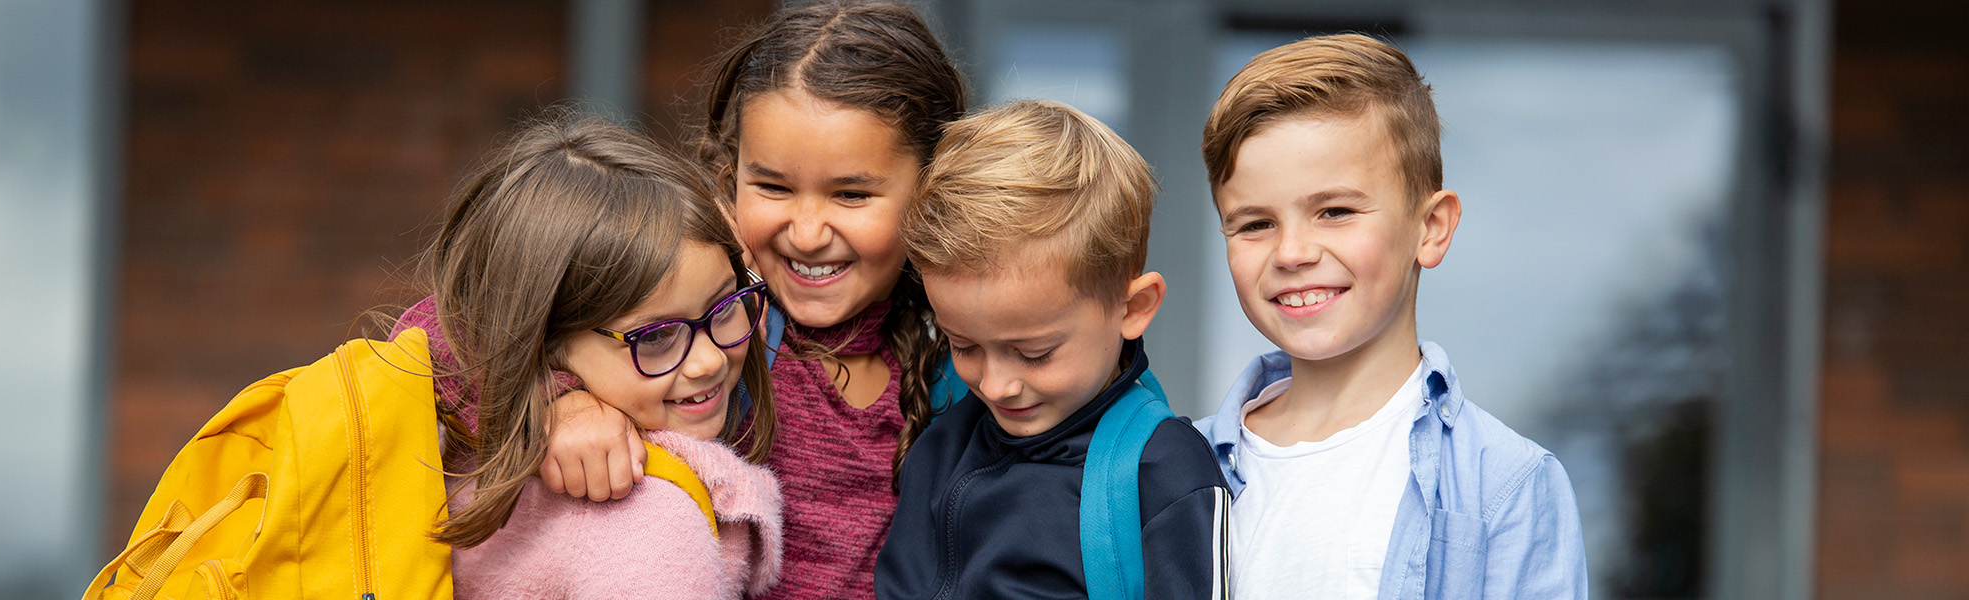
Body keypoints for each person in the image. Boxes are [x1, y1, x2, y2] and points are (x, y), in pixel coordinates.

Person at [539, 2, 970, 598]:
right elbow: (449, 339)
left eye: (850, 194)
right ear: (728, 174)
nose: (808, 231)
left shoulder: (970, 366)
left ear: (932, 190)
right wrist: (560, 404)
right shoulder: (701, 328)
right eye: (772, 186)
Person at [1193, 34, 1588, 599]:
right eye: (1255, 223)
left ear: (1430, 228)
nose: (1292, 253)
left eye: (1335, 211)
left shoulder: (1506, 485)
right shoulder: (1173, 473)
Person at [405, 115, 783, 598]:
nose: (708, 361)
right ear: (542, 338)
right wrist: (553, 401)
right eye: (655, 336)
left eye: (725, 305)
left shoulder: (450, 451)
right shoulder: (650, 524)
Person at [875, 99, 1231, 600]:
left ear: (1133, 308)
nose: (996, 385)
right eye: (964, 345)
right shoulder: (941, 449)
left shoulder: (1164, 470)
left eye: (1035, 353)